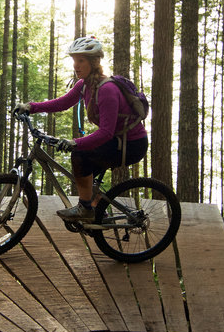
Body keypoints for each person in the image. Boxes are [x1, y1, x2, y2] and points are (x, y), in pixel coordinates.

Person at [13, 36, 149, 222]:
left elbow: (106, 132)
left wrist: (74, 143)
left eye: (81, 61)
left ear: (94, 62)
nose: (76, 66)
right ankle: (97, 209)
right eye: (74, 61)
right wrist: (31, 107)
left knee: (80, 155)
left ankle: (85, 209)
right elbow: (62, 103)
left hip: (131, 145)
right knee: (85, 164)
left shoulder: (107, 89)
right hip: (116, 141)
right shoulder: (84, 85)